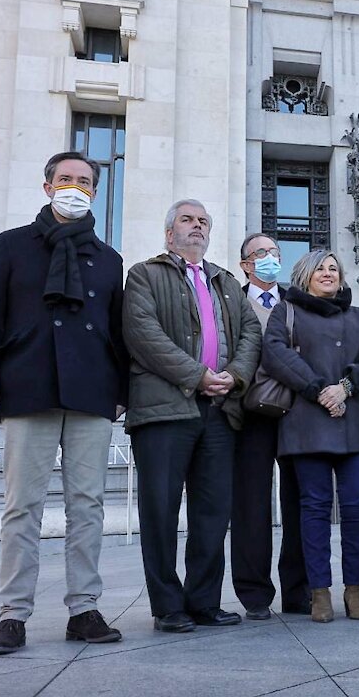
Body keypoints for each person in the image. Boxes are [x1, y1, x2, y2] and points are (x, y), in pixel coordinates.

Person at [0, 151, 129, 656]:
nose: (75, 187)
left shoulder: (108, 259)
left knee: (88, 506)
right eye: (66, 179)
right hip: (27, 385)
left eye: (84, 181)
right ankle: (12, 614)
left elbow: (117, 331)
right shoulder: (12, 245)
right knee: (22, 507)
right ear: (47, 186)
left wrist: (122, 393)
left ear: (95, 191)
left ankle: (84, 608)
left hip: (91, 392)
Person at [122, 199, 262, 632]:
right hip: (164, 410)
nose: (197, 226)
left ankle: (204, 601)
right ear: (169, 233)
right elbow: (144, 335)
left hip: (220, 411)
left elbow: (251, 333)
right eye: (188, 219)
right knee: (160, 511)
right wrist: (199, 375)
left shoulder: (223, 280)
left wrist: (234, 376)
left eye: (203, 221)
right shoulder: (144, 274)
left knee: (212, 512)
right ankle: (168, 606)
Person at [262, 250, 359, 622]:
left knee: (357, 509)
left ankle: (355, 590)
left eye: (334, 269)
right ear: (305, 275)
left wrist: (344, 387)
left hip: (354, 423)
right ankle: (319, 592)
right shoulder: (287, 311)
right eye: (320, 269)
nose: (328, 274)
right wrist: (319, 390)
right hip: (306, 423)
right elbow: (275, 354)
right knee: (313, 509)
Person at [230, 233, 311, 619]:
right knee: (251, 503)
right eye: (260, 253)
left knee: (299, 501)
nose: (269, 258)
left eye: (275, 253)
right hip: (251, 413)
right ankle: (254, 593)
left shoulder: (297, 301)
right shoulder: (231, 300)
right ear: (246, 264)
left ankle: (299, 591)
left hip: (296, 413)